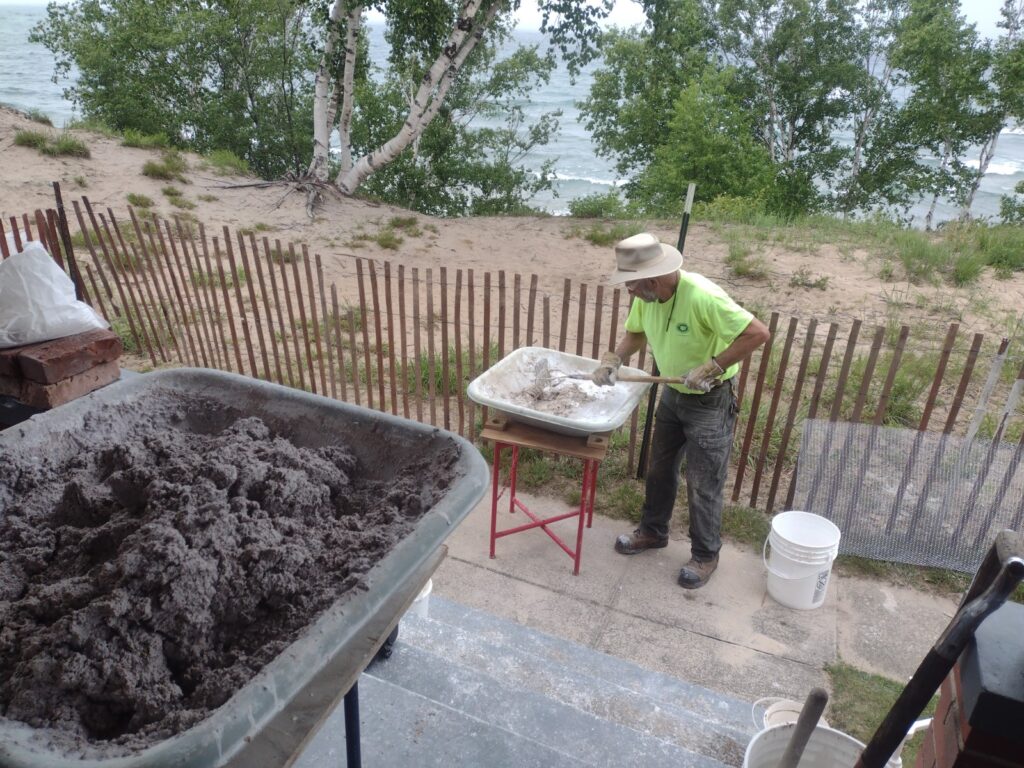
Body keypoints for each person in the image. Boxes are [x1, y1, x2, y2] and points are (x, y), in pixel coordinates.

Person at [593, 232, 770, 589]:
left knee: (704, 483)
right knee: (659, 470)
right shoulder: (648, 297)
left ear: (653, 280)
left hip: (709, 401)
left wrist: (712, 367)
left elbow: (757, 333)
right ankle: (653, 531)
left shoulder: (702, 296)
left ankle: (706, 555)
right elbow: (636, 333)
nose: (628, 291)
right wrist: (614, 359)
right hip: (673, 395)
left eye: (631, 284)